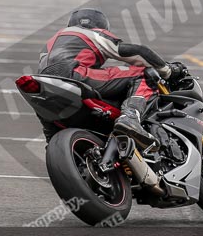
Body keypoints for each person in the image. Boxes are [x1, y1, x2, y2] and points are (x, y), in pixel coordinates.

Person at [37, 8, 184, 148]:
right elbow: (138, 52)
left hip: (44, 83)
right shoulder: (91, 33)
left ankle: (54, 145)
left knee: (47, 115)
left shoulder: (51, 42)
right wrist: (168, 71)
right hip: (73, 74)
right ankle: (130, 117)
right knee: (141, 73)